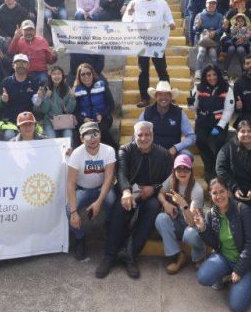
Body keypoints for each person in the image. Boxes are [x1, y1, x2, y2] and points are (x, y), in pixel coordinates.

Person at [99, 121, 171, 279]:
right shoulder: (125, 150)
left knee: (153, 207)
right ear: (134, 136)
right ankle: (109, 256)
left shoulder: (164, 154)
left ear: (153, 135)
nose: (144, 138)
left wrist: (154, 188)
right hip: (129, 192)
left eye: (147, 135)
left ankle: (130, 255)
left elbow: (167, 179)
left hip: (150, 194)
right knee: (120, 208)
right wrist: (126, 191)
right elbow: (121, 173)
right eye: (140, 135)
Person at [194, 177, 251, 312]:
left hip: (248, 263)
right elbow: (214, 243)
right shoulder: (211, 214)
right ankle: (227, 274)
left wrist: (239, 269)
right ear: (210, 195)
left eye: (221, 191)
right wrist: (203, 228)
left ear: (228, 192)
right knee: (203, 277)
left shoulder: (242, 210)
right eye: (215, 193)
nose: (219, 196)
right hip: (225, 257)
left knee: (237, 306)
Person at [66, 121, 117, 262]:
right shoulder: (76, 154)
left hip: (103, 187)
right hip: (83, 189)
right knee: (68, 209)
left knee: (112, 200)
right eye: (87, 136)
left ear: (100, 135)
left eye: (95, 134)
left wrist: (98, 202)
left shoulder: (108, 151)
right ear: (82, 139)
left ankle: (109, 228)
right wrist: (74, 212)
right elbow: (70, 183)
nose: (92, 138)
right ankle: (80, 238)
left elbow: (108, 178)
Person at [216, 120, 251, 243]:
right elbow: (220, 169)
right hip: (234, 188)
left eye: (249, 131)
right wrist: (234, 188)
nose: (246, 134)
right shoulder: (228, 148)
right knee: (234, 210)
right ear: (237, 133)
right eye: (243, 131)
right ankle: (234, 240)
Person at [124, 0, 175, 108]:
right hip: (142, 42)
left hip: (157, 42)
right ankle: (145, 98)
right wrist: (129, 13)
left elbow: (168, 17)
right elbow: (125, 21)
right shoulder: (134, 3)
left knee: (162, 70)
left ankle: (168, 96)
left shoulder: (162, 2)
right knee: (143, 71)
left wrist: (171, 23)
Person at [155, 154, 207, 274]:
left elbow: (192, 222)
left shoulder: (197, 190)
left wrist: (183, 204)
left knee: (190, 234)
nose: (182, 172)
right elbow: (160, 193)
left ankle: (199, 257)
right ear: (174, 170)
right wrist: (165, 204)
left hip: (193, 226)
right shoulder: (172, 179)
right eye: (179, 169)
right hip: (177, 221)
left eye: (186, 169)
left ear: (191, 170)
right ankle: (179, 256)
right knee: (161, 218)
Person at [191, 64, 234, 181]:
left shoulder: (226, 88)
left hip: (219, 121)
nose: (212, 77)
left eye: (214, 74)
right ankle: (209, 165)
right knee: (200, 141)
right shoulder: (198, 88)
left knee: (220, 141)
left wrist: (220, 126)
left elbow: (229, 109)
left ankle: (215, 169)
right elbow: (193, 108)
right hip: (203, 120)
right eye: (208, 75)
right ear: (205, 76)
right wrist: (191, 103)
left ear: (218, 75)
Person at [32, 66, 75, 139]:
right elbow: (44, 110)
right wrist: (47, 97)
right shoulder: (44, 89)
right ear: (50, 76)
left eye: (59, 74)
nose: (57, 76)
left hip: (63, 120)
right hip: (49, 121)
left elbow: (69, 110)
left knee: (68, 136)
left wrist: (72, 98)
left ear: (62, 76)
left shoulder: (67, 89)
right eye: (54, 74)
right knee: (51, 139)